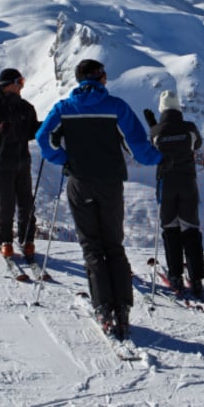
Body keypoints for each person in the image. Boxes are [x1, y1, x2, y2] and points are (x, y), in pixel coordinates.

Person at [36, 59, 161, 341]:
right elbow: (138, 147)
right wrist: (161, 156)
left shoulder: (63, 109)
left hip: (80, 182)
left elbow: (45, 140)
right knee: (113, 245)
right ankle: (123, 309)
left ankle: (103, 308)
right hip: (110, 183)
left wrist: (64, 160)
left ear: (79, 80)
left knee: (91, 246)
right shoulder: (117, 108)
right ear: (101, 78)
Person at [0, 68, 41, 260]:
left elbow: (30, 132)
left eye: (22, 81)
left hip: (22, 162)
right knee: (7, 204)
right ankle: (5, 240)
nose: (21, 85)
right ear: (7, 85)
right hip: (0, 163)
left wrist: (45, 126)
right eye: (19, 81)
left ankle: (27, 240)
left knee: (27, 203)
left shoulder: (26, 108)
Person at [146, 89, 204, 298]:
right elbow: (197, 144)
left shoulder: (156, 131)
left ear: (161, 109)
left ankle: (175, 276)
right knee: (191, 229)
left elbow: (152, 148)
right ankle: (196, 278)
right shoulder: (189, 128)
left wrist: (154, 126)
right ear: (179, 106)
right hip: (188, 183)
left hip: (166, 184)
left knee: (170, 229)